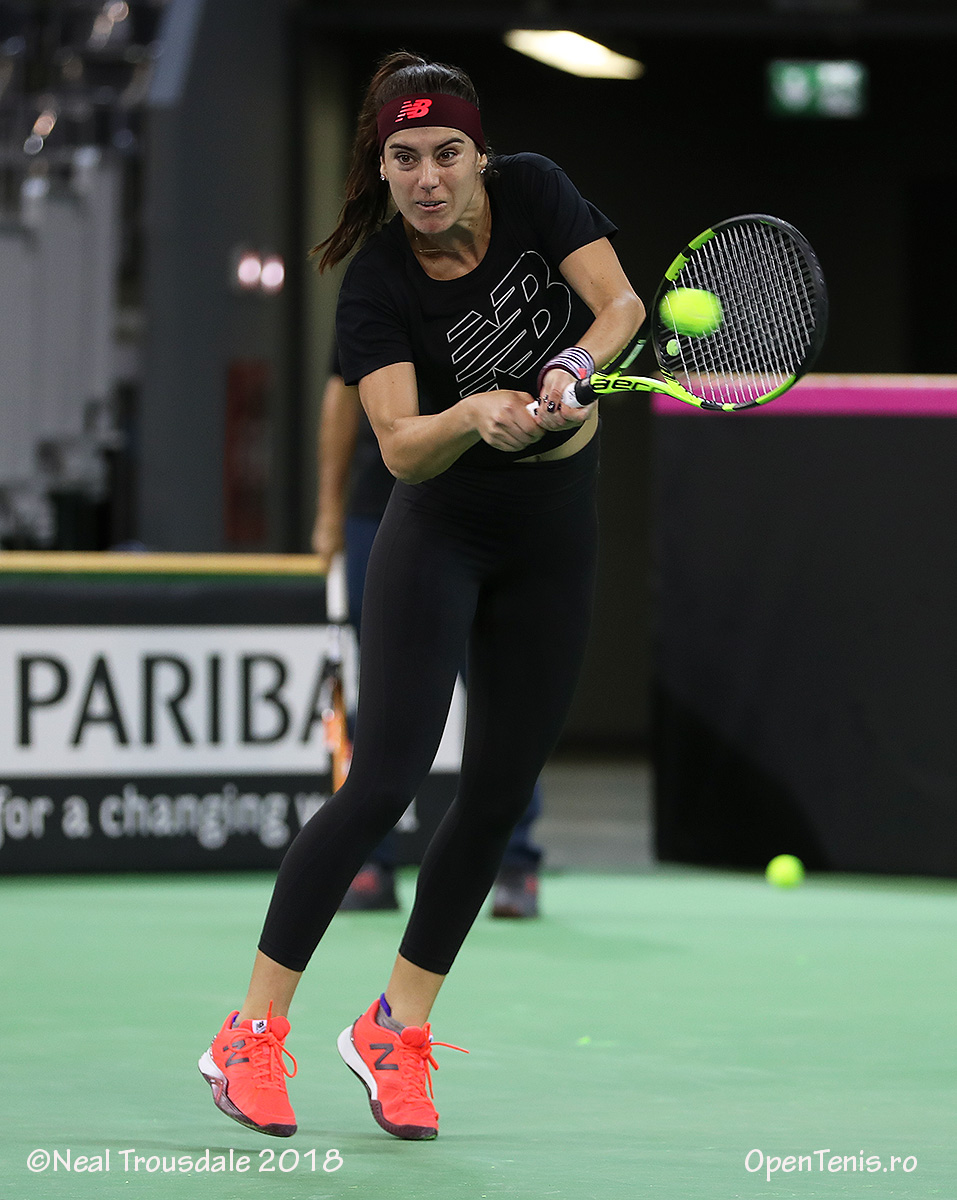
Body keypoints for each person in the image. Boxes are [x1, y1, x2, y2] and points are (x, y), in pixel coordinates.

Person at [199, 50, 643, 1143]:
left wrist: (571, 367)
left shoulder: (535, 190)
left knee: (495, 796)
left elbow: (620, 305)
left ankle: (396, 1029)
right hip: (440, 531)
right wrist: (472, 413)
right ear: (383, 167)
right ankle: (249, 1034)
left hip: (554, 533)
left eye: (447, 152)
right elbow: (399, 446)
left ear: (480, 155)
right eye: (405, 158)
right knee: (383, 782)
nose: (429, 176)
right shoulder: (379, 284)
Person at [312, 358, 545, 917]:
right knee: (385, 693)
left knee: (502, 690)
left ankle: (514, 862)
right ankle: (371, 864)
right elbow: (341, 397)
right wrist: (328, 512)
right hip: (381, 510)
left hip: (489, 507)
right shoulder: (372, 305)